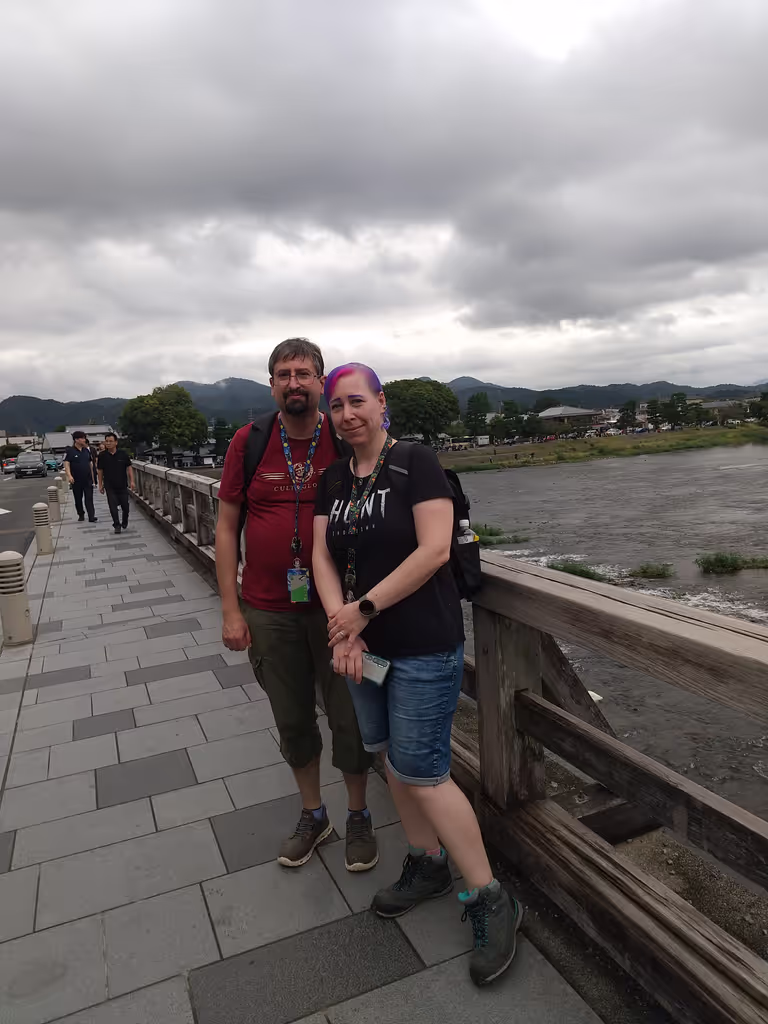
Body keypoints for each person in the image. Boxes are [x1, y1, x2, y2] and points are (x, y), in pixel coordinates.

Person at [313, 362, 522, 988]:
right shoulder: (331, 479)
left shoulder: (415, 461)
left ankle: (491, 896)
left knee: (425, 770)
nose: (347, 414)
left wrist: (363, 610)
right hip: (361, 649)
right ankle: (428, 862)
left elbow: (433, 550)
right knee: (387, 757)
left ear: (381, 404)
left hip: (423, 645)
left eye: (358, 402)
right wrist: (343, 626)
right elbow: (322, 556)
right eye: (337, 405)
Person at [215, 338, 377, 872]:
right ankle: (315, 813)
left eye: (304, 373)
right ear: (271, 385)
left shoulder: (342, 434)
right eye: (283, 374)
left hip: (338, 609)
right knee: (292, 719)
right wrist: (231, 610)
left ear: (321, 381)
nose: (294, 383)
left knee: (350, 717)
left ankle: (358, 814)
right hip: (268, 606)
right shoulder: (251, 441)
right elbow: (226, 526)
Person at [98, 433, 134, 534]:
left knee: (125, 507)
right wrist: (100, 484)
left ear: (116, 442)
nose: (108, 443)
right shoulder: (102, 455)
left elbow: (129, 467)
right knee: (113, 506)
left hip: (122, 485)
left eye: (110, 441)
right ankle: (116, 524)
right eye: (107, 441)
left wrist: (132, 481)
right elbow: (100, 470)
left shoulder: (123, 454)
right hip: (109, 485)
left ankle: (125, 521)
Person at [64, 430, 97, 523]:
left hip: (87, 478)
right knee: (78, 498)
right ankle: (81, 514)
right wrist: (69, 476)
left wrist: (94, 478)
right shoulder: (70, 451)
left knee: (89, 498)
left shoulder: (86, 450)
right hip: (76, 479)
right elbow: (66, 464)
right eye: (82, 438)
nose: (84, 440)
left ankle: (91, 516)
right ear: (76, 440)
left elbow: (90, 463)